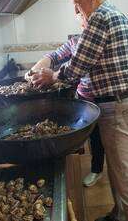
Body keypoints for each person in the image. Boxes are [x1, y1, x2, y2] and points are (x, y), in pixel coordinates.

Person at [29, 0, 128, 221]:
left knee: (127, 178)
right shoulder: (112, 13)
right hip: (118, 104)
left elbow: (78, 65)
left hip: (118, 106)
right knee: (118, 172)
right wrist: (43, 69)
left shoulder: (100, 17)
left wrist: (53, 76)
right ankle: (120, 215)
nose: (76, 8)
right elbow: (66, 57)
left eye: (78, 1)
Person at [27, 11, 105, 188]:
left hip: (104, 98)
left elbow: (74, 69)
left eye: (87, 19)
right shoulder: (74, 41)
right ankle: (97, 169)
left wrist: (53, 76)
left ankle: (99, 170)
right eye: (83, 21)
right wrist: (32, 71)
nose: (86, 23)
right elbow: (52, 57)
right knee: (94, 137)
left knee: (102, 139)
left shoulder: (98, 39)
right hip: (86, 100)